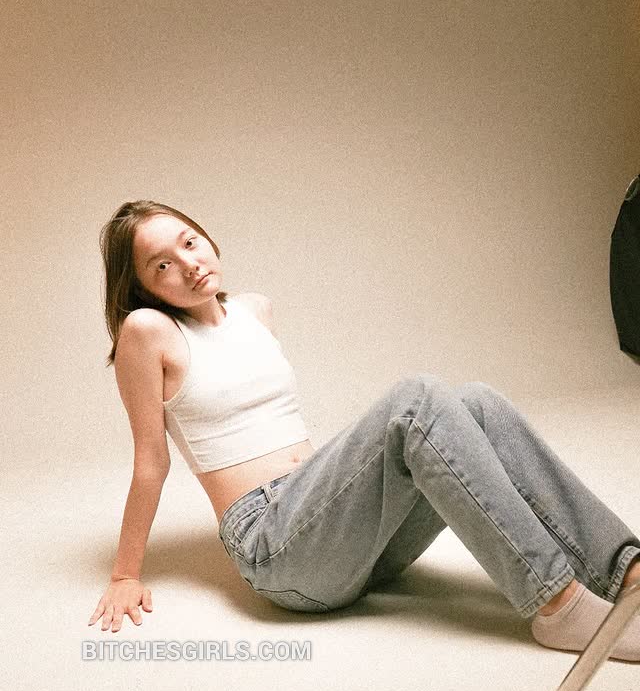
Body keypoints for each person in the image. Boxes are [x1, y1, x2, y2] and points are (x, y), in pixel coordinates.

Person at [88, 199, 640, 662]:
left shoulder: (255, 310)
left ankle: (628, 574)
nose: (187, 264)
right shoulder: (148, 330)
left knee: (476, 402)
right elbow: (151, 461)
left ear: (207, 238)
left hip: (348, 541)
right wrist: (123, 576)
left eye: (189, 242)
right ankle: (558, 605)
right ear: (143, 288)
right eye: (161, 265)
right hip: (276, 551)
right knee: (416, 400)